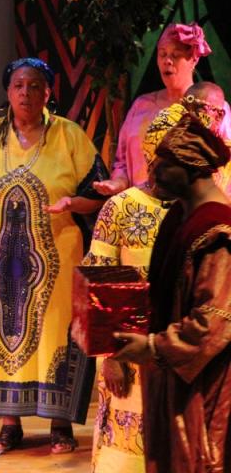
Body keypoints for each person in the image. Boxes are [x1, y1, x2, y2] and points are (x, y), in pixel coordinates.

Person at [0, 57, 108, 455]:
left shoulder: (69, 136)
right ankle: (9, 425)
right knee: (0, 337)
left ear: (48, 92)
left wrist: (75, 201)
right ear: (8, 91)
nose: (26, 93)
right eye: (18, 85)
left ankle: (60, 425)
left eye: (35, 86)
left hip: (54, 262)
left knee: (55, 337)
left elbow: (96, 190)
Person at [114, 113, 231, 473]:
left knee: (199, 460)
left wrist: (153, 348)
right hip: (172, 377)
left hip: (203, 383)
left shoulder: (217, 232)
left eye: (165, 164)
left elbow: (214, 321)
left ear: (192, 168)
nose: (155, 172)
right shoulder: (180, 216)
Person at [83, 101, 191, 473]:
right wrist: (109, 358)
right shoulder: (120, 208)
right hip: (128, 352)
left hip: (180, 351)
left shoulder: (199, 210)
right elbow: (98, 286)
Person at [94, 22, 230, 196]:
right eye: (162, 54)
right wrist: (117, 183)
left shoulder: (213, 107)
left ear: (193, 60)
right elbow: (122, 163)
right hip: (143, 211)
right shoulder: (141, 105)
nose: (167, 61)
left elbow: (226, 165)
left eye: (175, 55)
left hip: (189, 208)